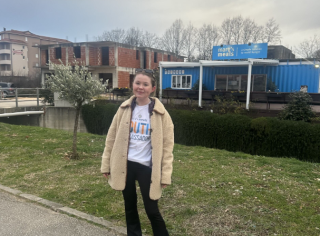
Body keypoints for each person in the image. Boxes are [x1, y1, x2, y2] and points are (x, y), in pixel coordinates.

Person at [101, 69, 174, 236]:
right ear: (132, 85)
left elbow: (168, 147)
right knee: (130, 206)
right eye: (137, 83)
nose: (140, 87)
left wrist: (165, 174)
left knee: (152, 209)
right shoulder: (124, 109)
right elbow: (111, 138)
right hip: (125, 165)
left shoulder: (161, 114)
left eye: (145, 84)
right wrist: (106, 165)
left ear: (152, 88)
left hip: (146, 167)